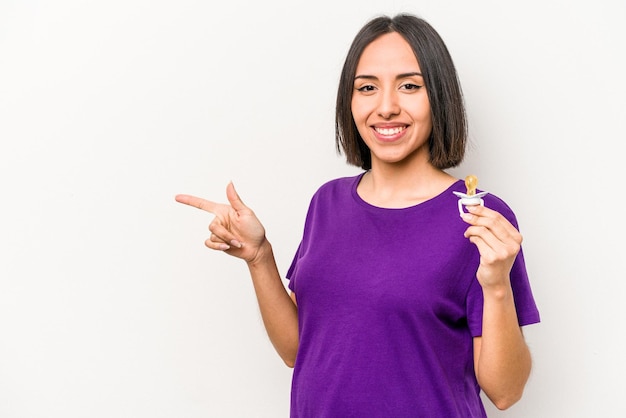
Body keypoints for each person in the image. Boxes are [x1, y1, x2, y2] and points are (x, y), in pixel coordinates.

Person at [175, 13, 540, 418]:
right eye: (367, 88)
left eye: (409, 86)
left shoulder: (479, 217)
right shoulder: (327, 203)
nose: (386, 107)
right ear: (349, 103)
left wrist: (497, 287)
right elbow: (298, 350)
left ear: (439, 96)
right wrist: (260, 257)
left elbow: (506, 392)